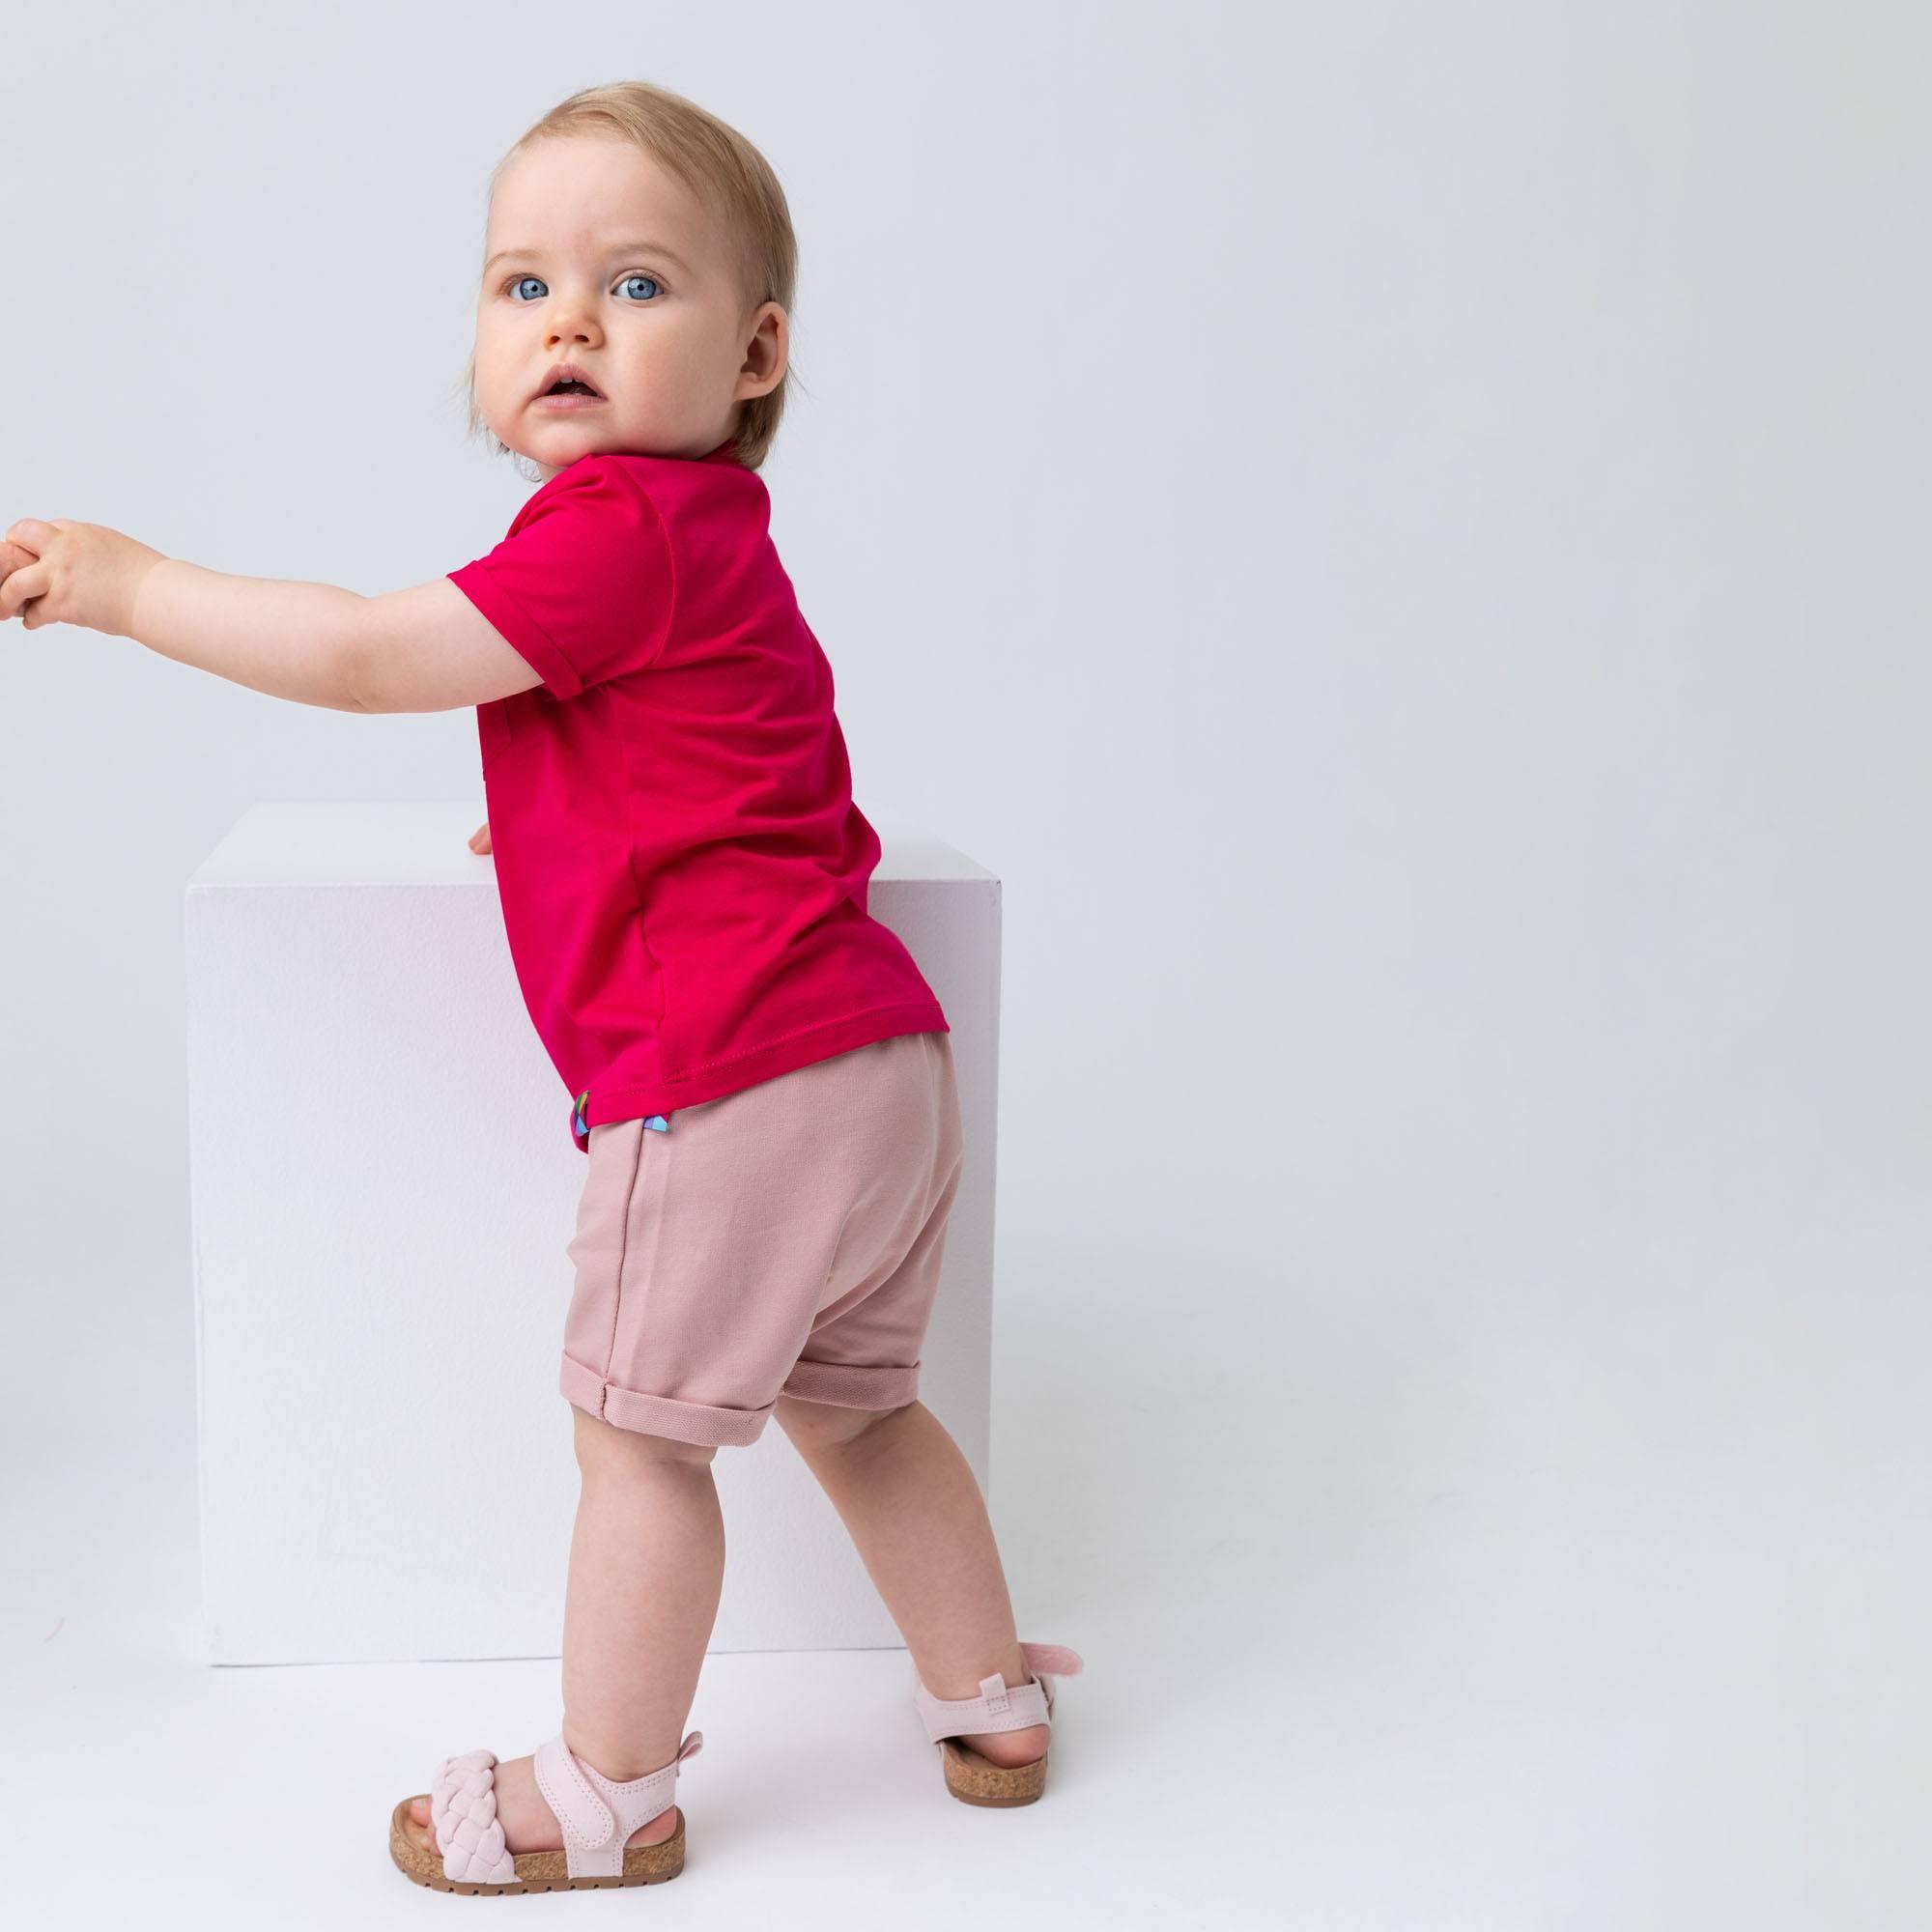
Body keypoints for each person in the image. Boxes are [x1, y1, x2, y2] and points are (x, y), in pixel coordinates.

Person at [0, 78, 1080, 1895]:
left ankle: (607, 1788)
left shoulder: (612, 532)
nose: (568, 320)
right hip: (882, 1064)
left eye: (635, 285)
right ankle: (987, 1693)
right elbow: (757, 773)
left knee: (636, 1441)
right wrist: (578, 828)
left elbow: (361, 656)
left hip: (725, 1078)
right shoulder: (719, 556)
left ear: (755, 356)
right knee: (865, 1408)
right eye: (523, 286)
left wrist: (131, 585)